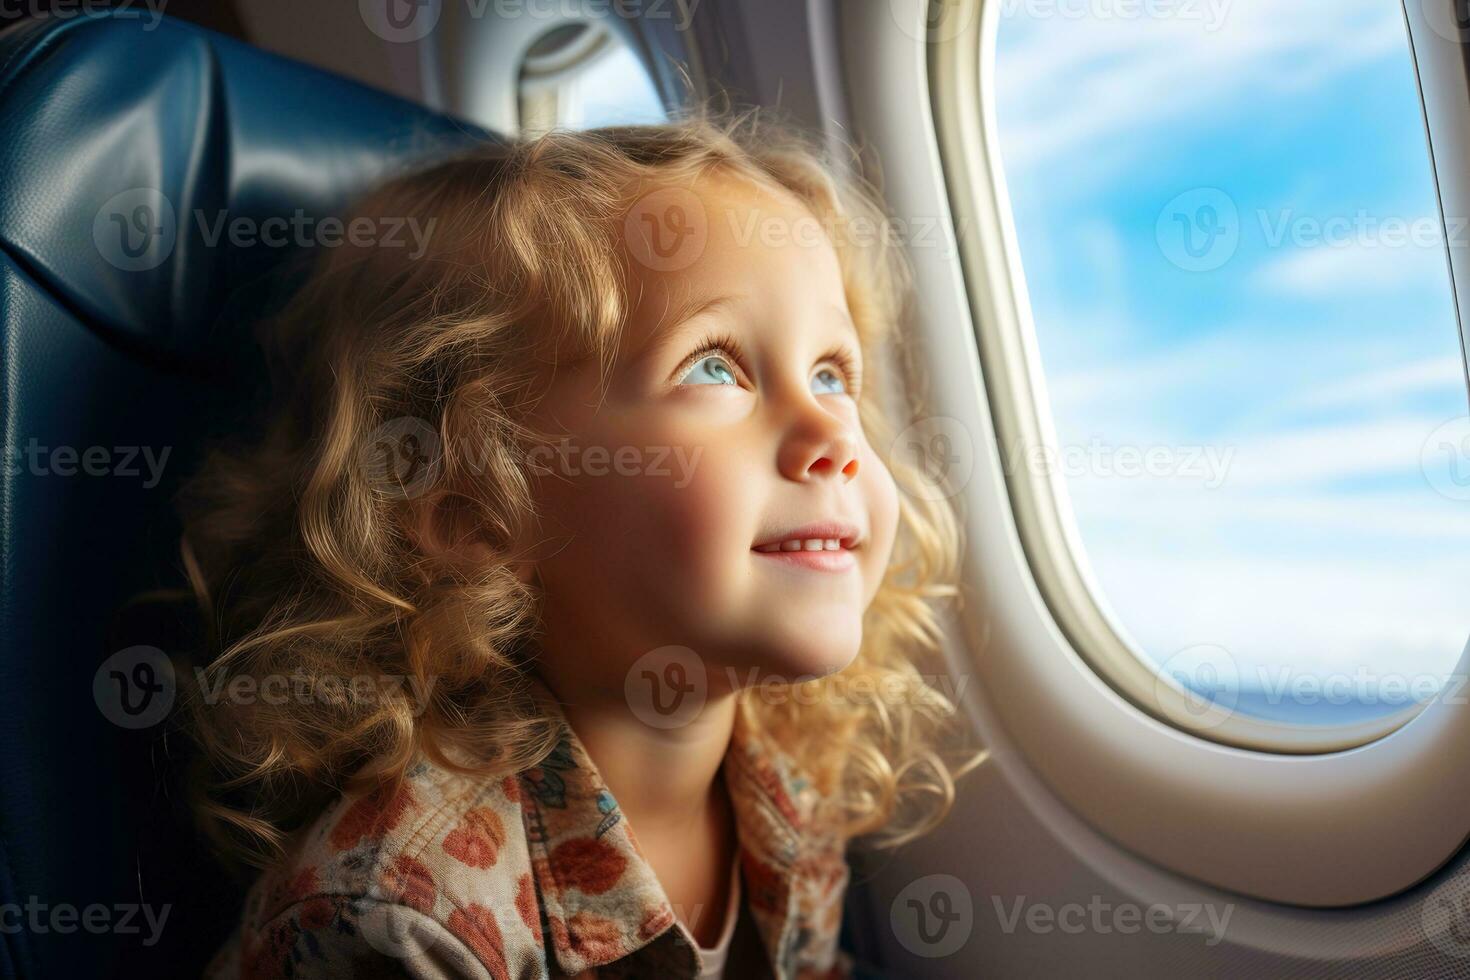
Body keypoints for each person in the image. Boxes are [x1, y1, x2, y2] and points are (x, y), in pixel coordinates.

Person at [183, 111, 984, 979]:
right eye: (715, 366)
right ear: (475, 508)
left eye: (833, 372)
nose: (833, 432)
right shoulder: (401, 915)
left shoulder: (787, 787)